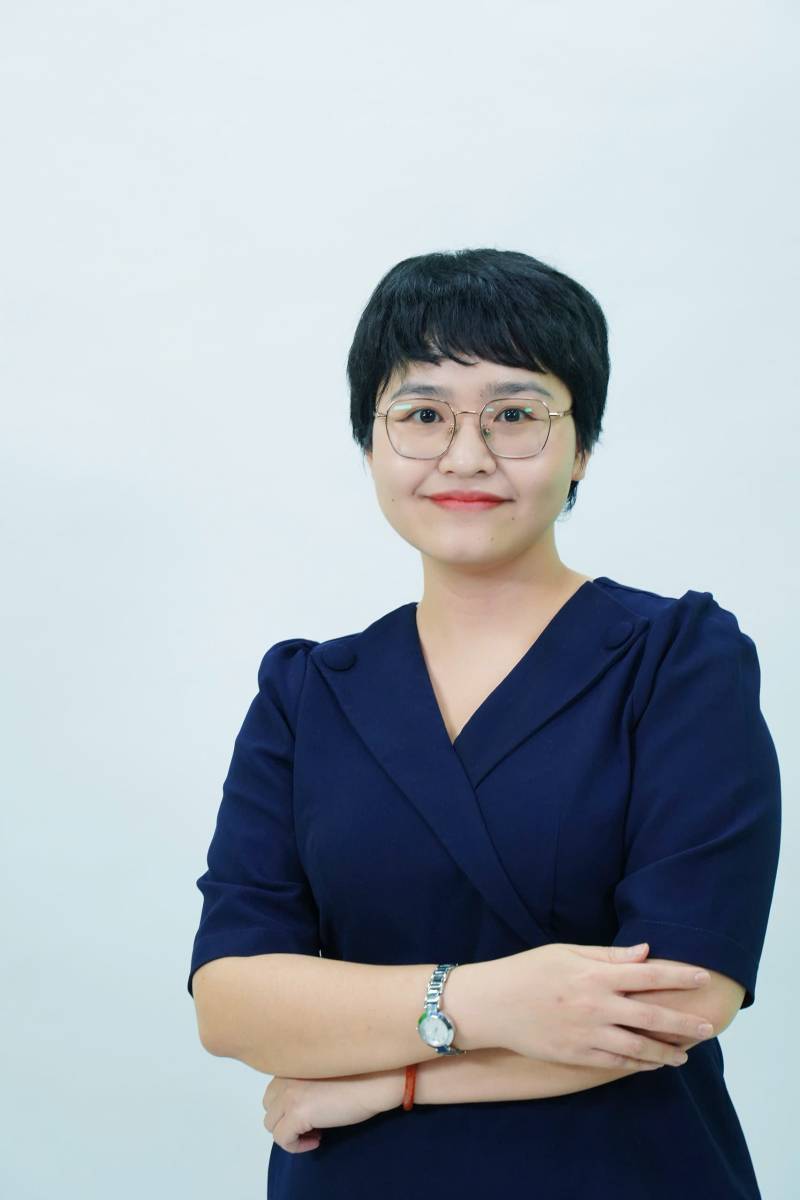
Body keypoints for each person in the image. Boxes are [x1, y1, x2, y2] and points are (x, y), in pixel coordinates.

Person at [187, 248, 782, 1199]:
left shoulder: (678, 659)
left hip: (624, 1175)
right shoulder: (307, 692)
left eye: (514, 414)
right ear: (370, 444)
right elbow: (232, 1000)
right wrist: (491, 998)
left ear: (581, 447)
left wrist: (394, 1082)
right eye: (422, 415)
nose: (466, 456)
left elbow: (682, 999)